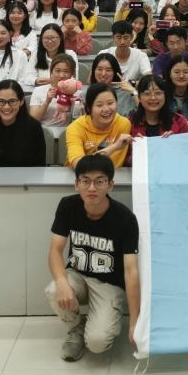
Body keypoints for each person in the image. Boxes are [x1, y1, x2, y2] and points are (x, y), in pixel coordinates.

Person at [46, 154, 141, 361]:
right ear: (77, 184)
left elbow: (131, 271)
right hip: (77, 276)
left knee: (98, 343)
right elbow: (55, 250)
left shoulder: (125, 219)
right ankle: (77, 327)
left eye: (99, 181)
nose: (92, 188)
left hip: (109, 284)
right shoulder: (68, 205)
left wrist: (135, 323)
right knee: (54, 289)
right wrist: (62, 282)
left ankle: (97, 323)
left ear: (110, 185)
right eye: (86, 181)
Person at [0, 80, 47, 166]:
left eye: (12, 101)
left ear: (21, 101)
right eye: (1, 101)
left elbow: (39, 166)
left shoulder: (34, 128)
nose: (6, 107)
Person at [65, 82, 133, 168]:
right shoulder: (75, 128)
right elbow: (79, 165)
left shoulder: (123, 124)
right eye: (99, 105)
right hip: (80, 175)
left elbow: (114, 165)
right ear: (89, 108)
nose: (106, 109)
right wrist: (115, 147)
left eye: (110, 103)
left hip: (113, 175)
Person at [29, 55, 85, 136]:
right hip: (43, 133)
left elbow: (80, 122)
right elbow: (34, 120)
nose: (61, 75)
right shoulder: (38, 90)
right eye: (57, 71)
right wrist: (47, 102)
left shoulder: (77, 93)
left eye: (66, 71)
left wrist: (74, 106)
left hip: (67, 133)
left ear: (72, 74)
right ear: (51, 72)